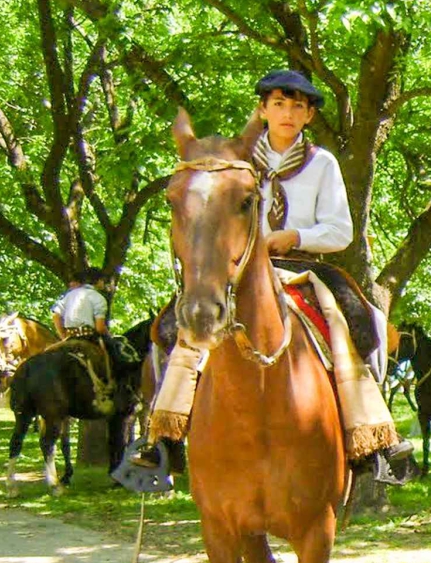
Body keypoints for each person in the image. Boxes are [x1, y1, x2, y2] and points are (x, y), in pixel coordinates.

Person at [133, 70, 410, 480]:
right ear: (263, 110)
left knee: (357, 319)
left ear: (309, 116)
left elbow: (340, 231)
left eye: (298, 106)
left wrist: (293, 235)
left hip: (303, 265)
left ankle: (369, 431)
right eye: (278, 104)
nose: (288, 113)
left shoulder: (322, 164)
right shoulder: (235, 159)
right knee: (174, 327)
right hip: (241, 269)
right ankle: (164, 435)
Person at [52, 268, 110, 339]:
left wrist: (63, 336)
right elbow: (99, 328)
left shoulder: (69, 295)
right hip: (89, 338)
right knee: (115, 347)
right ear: (99, 281)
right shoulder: (99, 298)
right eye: (103, 280)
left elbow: (55, 316)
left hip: (69, 337)